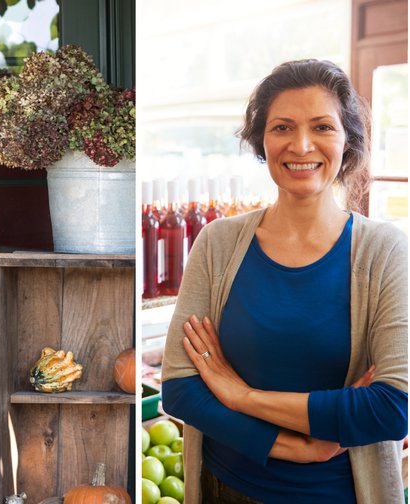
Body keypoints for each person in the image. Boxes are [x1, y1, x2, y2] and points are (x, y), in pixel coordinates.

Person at [161, 59, 408, 504]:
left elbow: (391, 409)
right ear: (262, 140)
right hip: (225, 490)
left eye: (323, 127)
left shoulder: (385, 252)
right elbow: (180, 388)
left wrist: (241, 396)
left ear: (347, 140)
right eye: (282, 127)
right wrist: (298, 448)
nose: (301, 144)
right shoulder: (218, 242)